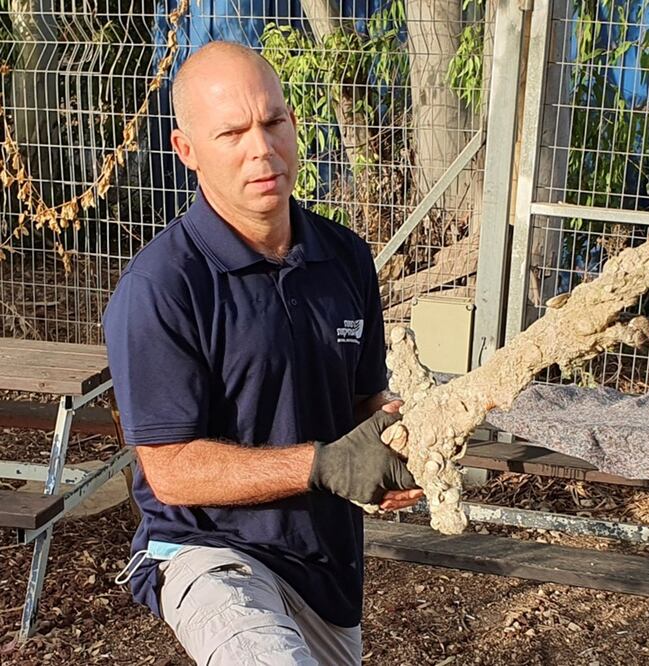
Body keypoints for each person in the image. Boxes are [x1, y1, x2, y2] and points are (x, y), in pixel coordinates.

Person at [103, 40, 423, 665]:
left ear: (294, 124)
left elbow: (364, 398)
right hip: (208, 554)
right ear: (187, 151)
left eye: (273, 122)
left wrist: (402, 440)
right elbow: (171, 471)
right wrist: (323, 465)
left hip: (326, 569)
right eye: (232, 133)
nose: (262, 148)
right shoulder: (162, 287)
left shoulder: (345, 256)